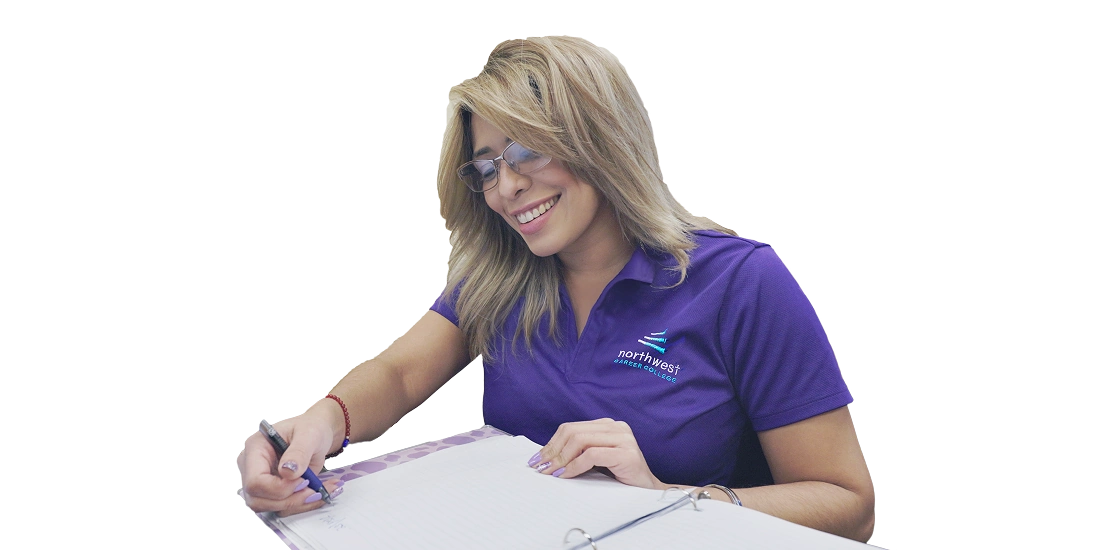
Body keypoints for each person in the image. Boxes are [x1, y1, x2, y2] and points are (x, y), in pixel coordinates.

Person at [237, 35, 875, 542]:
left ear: (597, 137)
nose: (504, 188)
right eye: (485, 168)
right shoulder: (502, 279)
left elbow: (849, 507)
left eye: (524, 153)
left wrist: (668, 502)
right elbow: (403, 375)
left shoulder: (740, 282)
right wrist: (316, 424)